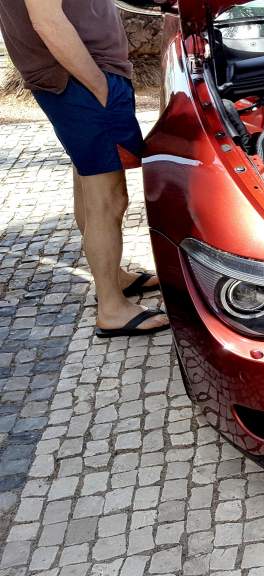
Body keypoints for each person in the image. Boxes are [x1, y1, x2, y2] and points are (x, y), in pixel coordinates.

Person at [0, 0, 169, 337]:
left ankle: (113, 277)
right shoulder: (88, 82)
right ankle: (112, 308)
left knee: (91, 187)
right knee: (109, 199)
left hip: (78, 77)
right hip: (79, 78)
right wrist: (98, 86)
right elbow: (47, 22)